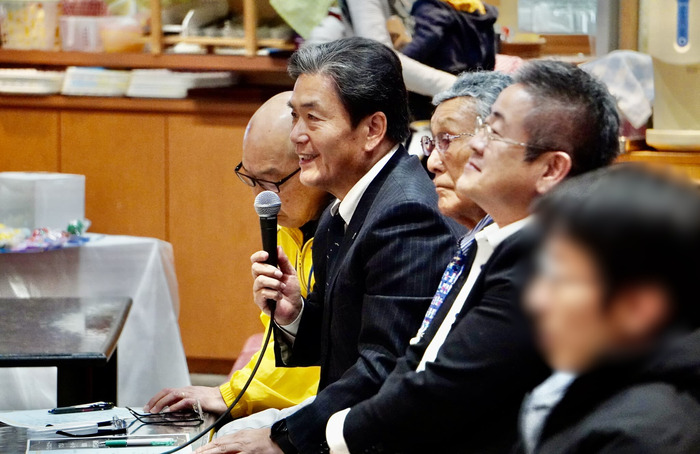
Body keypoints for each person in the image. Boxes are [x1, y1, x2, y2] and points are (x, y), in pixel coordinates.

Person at [324, 60, 621, 453]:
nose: (477, 145)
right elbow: (417, 357)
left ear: (551, 169)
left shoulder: (546, 266)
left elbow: (443, 390)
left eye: (496, 134)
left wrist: (324, 437)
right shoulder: (496, 238)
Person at [194, 37, 460, 454]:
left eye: (313, 119)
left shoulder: (405, 215)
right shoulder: (341, 208)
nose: (296, 136)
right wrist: (295, 313)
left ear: (372, 129)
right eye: (295, 117)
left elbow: (384, 369)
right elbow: (345, 340)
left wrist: (281, 439)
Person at [144, 92, 329, 419]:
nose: (259, 199)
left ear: (312, 161)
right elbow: (278, 340)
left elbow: (326, 367)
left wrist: (232, 395)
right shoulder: (287, 224)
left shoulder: (348, 228)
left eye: (270, 181)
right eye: (250, 179)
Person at [520, 165, 700, 454]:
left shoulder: (644, 436)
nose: (536, 299)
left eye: (560, 279)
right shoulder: (604, 374)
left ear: (637, 306)